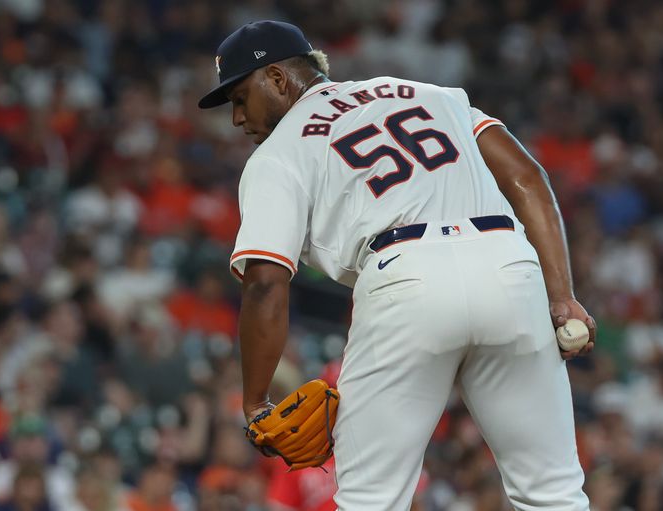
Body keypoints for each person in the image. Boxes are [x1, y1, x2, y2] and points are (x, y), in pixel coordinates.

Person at [199, 20, 596, 510]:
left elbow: (264, 282)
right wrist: (561, 296)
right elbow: (527, 177)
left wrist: (256, 401)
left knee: (371, 501)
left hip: (405, 279)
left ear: (278, 79)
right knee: (553, 493)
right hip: (508, 267)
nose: (237, 118)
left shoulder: (277, 154)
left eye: (239, 97)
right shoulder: (428, 92)